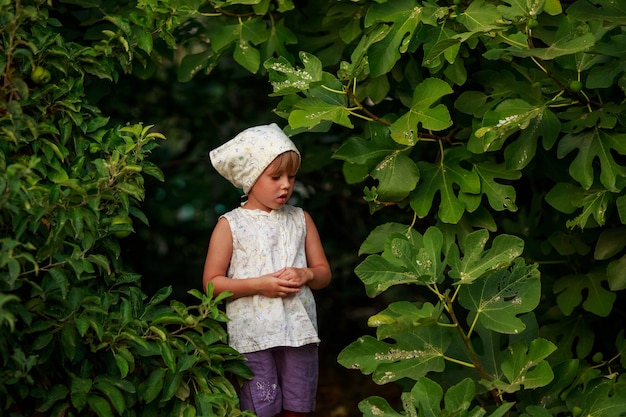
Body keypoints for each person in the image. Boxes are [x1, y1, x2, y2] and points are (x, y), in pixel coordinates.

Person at [203, 123, 332, 417]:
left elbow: (324, 273)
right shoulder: (230, 225)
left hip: (299, 335)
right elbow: (211, 284)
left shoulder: (301, 219)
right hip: (252, 340)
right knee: (261, 409)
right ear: (250, 178)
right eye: (275, 177)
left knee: (298, 409)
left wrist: (306, 274)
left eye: (291, 176)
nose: (286, 184)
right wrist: (259, 285)